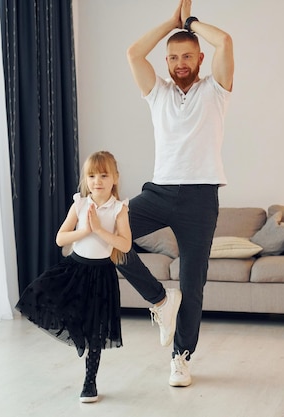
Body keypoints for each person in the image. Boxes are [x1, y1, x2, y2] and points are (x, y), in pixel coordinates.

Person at [118, 0, 234, 388]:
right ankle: (160, 301)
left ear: (199, 57)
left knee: (193, 283)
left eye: (186, 56)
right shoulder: (157, 93)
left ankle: (181, 358)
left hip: (201, 198)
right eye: (172, 57)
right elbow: (134, 53)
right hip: (160, 191)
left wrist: (192, 23)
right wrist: (169, 23)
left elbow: (227, 42)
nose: (179, 63)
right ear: (166, 61)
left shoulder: (215, 90)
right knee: (110, 237)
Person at [15, 151, 132, 403]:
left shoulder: (119, 209)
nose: (97, 181)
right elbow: (60, 238)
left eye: (103, 175)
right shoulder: (79, 204)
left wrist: (99, 229)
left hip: (102, 275)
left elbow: (124, 245)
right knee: (41, 294)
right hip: (75, 269)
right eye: (91, 175)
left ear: (115, 179)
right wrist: (85, 230)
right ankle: (77, 334)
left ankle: (90, 382)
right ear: (85, 179)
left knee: (97, 332)